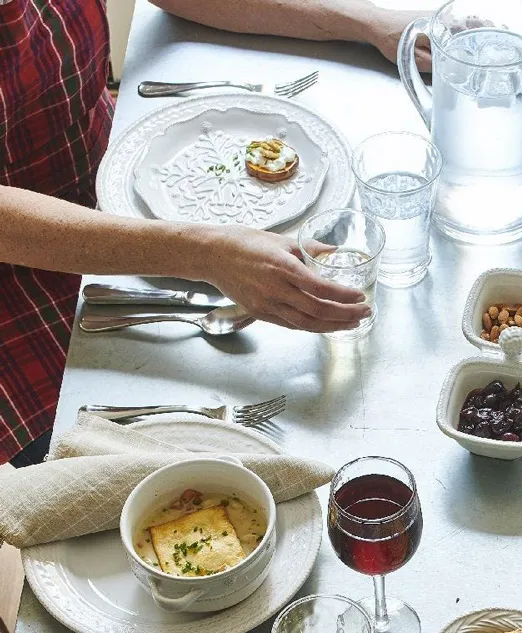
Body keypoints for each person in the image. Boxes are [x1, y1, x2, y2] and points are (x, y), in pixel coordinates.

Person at [0, 0, 425, 470]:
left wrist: (371, 25)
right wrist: (203, 253)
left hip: (114, 174)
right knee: (122, 477)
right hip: (15, 301)